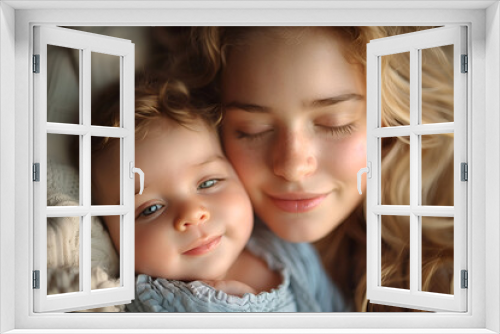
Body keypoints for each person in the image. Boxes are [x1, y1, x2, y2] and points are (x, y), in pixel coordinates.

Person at [166, 26, 455, 312]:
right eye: (252, 130)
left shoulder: (450, 285)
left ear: (390, 126)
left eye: (334, 123)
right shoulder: (174, 261)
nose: (292, 167)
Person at [90, 77, 344, 312]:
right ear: (109, 233)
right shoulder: (152, 304)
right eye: (150, 209)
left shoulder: (284, 247)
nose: (193, 214)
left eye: (209, 182)